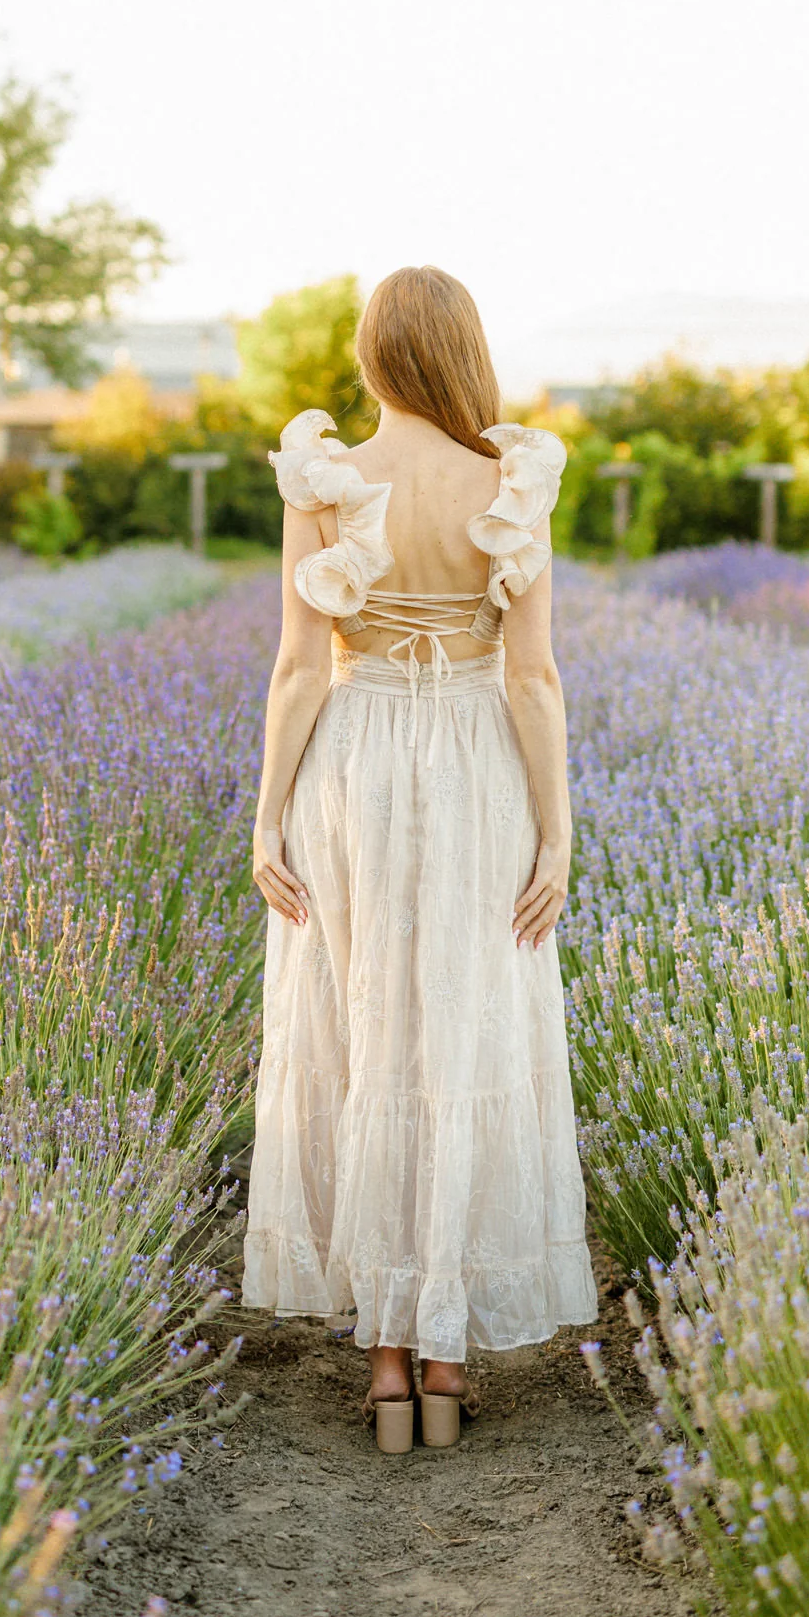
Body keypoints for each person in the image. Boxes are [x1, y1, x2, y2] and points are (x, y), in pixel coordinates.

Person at [241, 264, 598, 1454]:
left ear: (372, 356)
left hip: (354, 759)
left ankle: (385, 1367)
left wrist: (267, 814)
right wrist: (555, 827)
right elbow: (535, 676)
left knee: (362, 1024)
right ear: (462, 354)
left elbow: (299, 664)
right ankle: (445, 1363)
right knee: (466, 1028)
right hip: (476, 763)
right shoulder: (512, 481)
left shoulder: (327, 477)